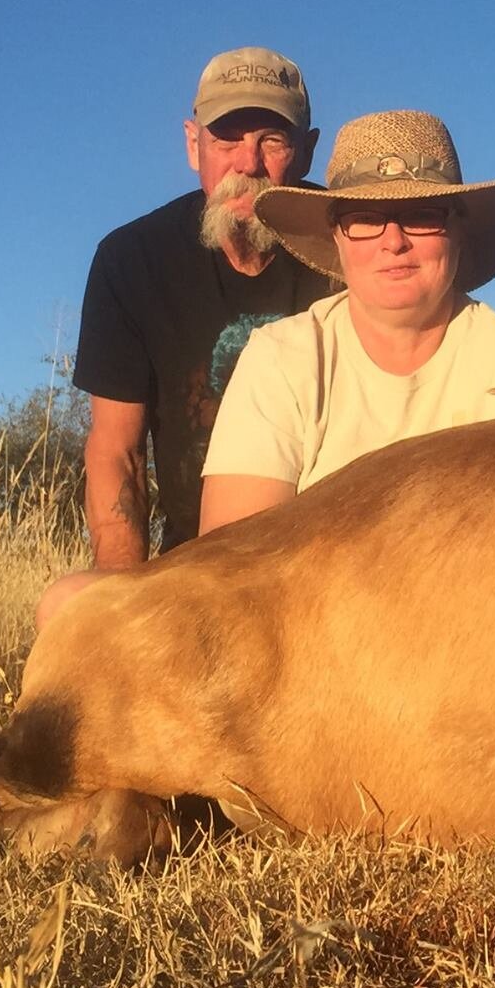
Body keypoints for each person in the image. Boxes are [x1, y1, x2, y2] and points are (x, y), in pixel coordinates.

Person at [48, 48, 333, 624]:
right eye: (226, 137)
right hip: (195, 573)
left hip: (328, 566)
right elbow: (116, 451)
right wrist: (122, 593)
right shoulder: (130, 261)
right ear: (192, 143)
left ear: (307, 150)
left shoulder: (350, 246)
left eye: (272, 140)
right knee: (71, 610)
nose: (247, 162)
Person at [200, 109, 495, 527]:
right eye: (365, 219)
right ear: (336, 238)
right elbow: (234, 560)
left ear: (459, 232)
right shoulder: (281, 359)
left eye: (422, 216)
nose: (394, 241)